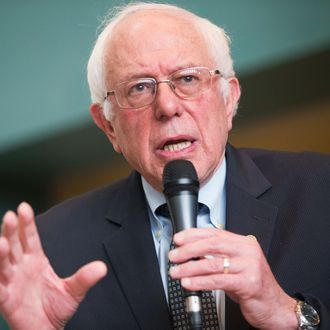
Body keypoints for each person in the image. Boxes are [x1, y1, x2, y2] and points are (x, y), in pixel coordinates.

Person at [0, 2, 329, 329]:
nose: (167, 106)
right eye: (139, 88)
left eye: (187, 79)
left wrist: (288, 314)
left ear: (228, 100)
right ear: (109, 126)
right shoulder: (53, 248)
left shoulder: (320, 189)